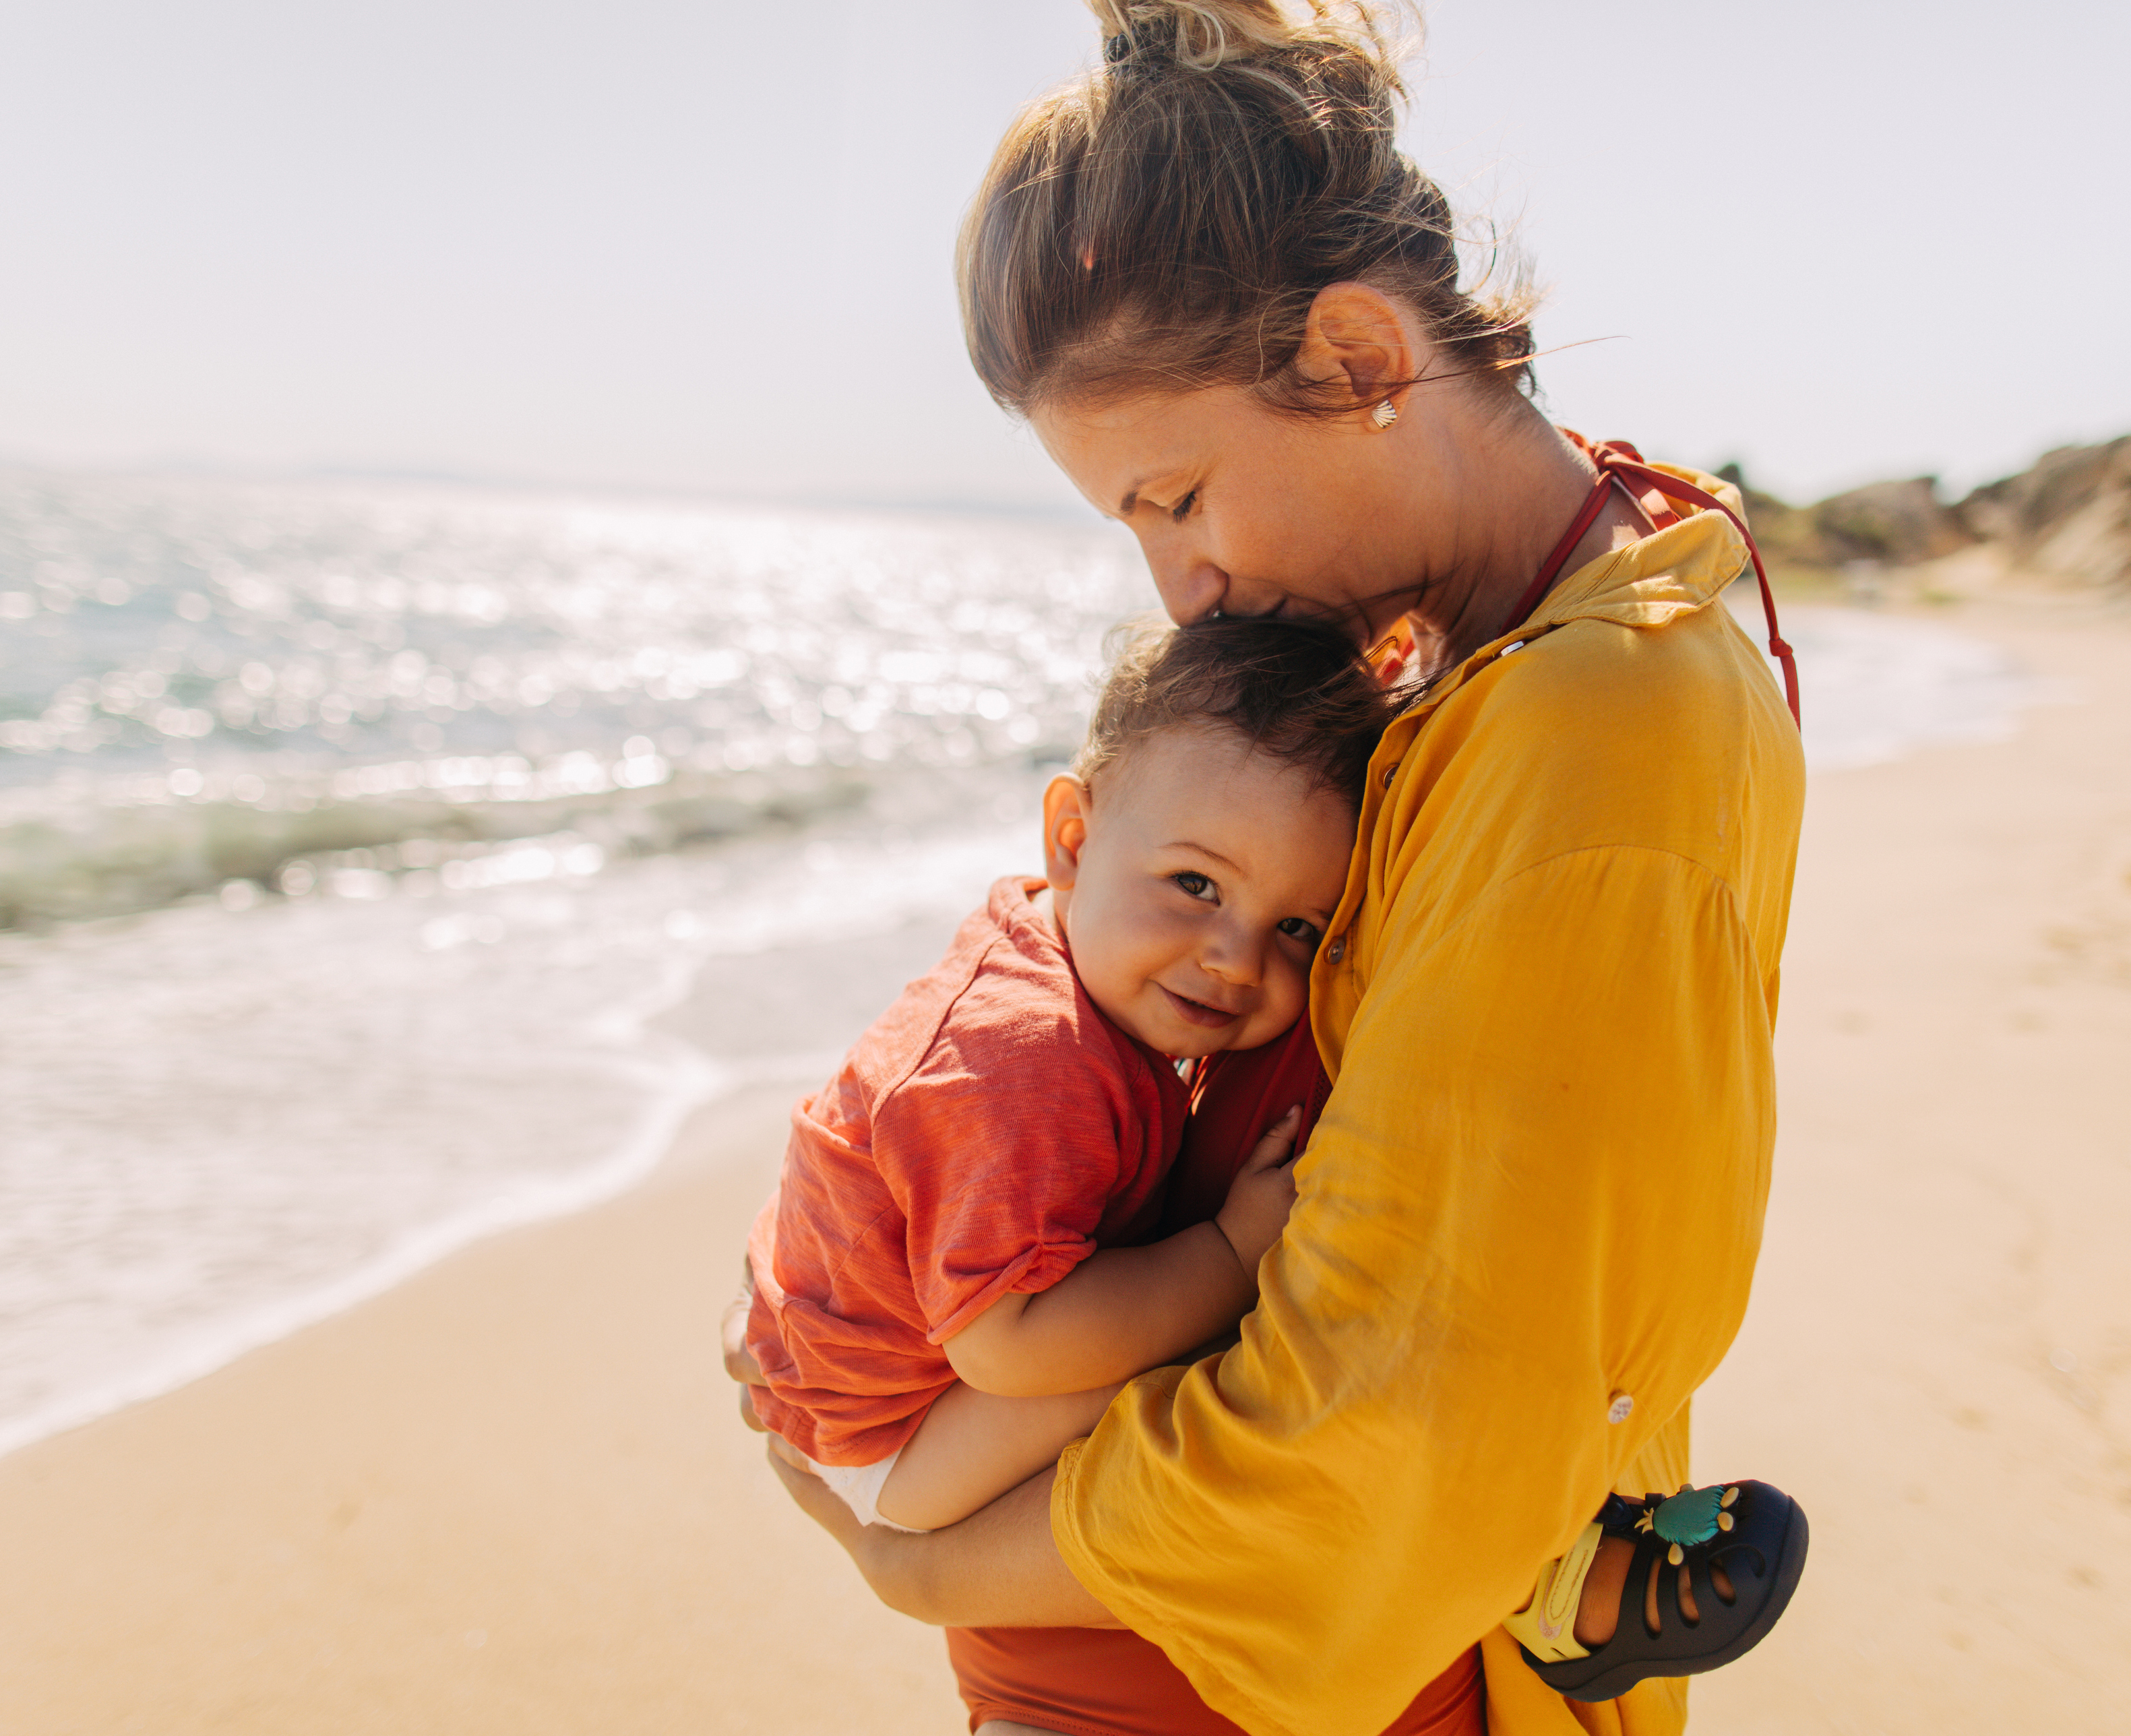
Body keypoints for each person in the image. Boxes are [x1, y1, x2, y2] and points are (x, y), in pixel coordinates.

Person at [729, 3, 1808, 1732]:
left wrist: (922, 1558)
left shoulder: (1598, 728)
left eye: (1182, 498)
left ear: (1365, 360)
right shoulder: (1473, 651)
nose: (1184, 590)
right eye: (1136, 529)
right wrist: (857, 1257)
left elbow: (1390, 1430)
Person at [739, 618, 1375, 1536]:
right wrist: (1232, 1256)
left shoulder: (1062, 941)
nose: (1237, 960)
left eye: (1298, 930)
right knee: (1161, 1367)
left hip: (824, 1338)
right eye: (1196, 885)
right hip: (879, 1442)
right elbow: (1008, 1346)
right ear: (1072, 841)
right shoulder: (1033, 1060)